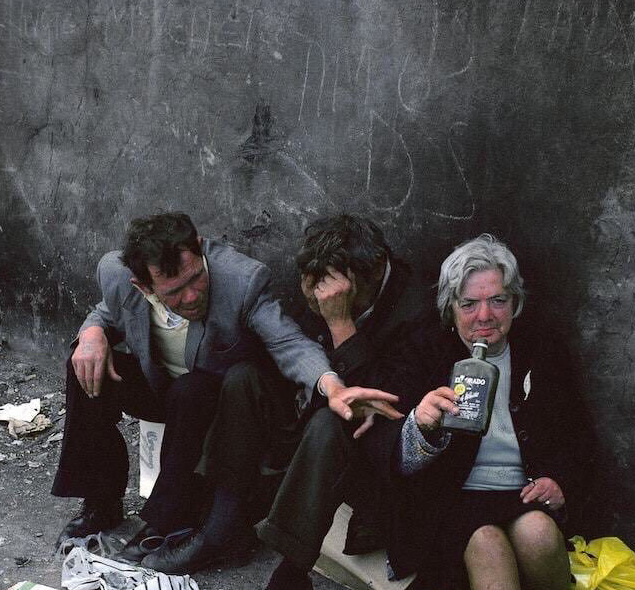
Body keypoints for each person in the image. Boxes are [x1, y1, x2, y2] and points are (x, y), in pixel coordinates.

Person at [362, 234, 591, 590]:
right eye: (469, 303)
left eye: (497, 300)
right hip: (450, 500)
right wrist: (422, 426)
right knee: (486, 543)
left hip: (521, 492)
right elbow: (386, 454)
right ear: (452, 307)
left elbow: (580, 437)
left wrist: (560, 480)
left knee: (536, 532)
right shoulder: (422, 348)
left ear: (516, 303)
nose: (484, 316)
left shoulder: (543, 348)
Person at [51, 212, 399, 551]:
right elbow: (108, 310)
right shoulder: (116, 274)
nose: (191, 297)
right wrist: (92, 332)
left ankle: (166, 520)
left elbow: (288, 342)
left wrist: (332, 385)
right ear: (143, 285)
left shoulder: (241, 280)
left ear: (200, 250)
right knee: (81, 364)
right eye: (174, 291)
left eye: (195, 278)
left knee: (192, 390)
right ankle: (101, 503)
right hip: (161, 389)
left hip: (213, 406)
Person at [156, 214, 418, 579]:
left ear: (372, 273)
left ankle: (287, 578)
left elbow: (375, 407)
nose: (317, 294)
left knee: (332, 420)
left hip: (354, 447)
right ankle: (221, 529)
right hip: (305, 414)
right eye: (311, 283)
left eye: (329, 287)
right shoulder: (323, 283)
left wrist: (340, 323)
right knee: (243, 378)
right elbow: (292, 354)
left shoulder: (414, 310)